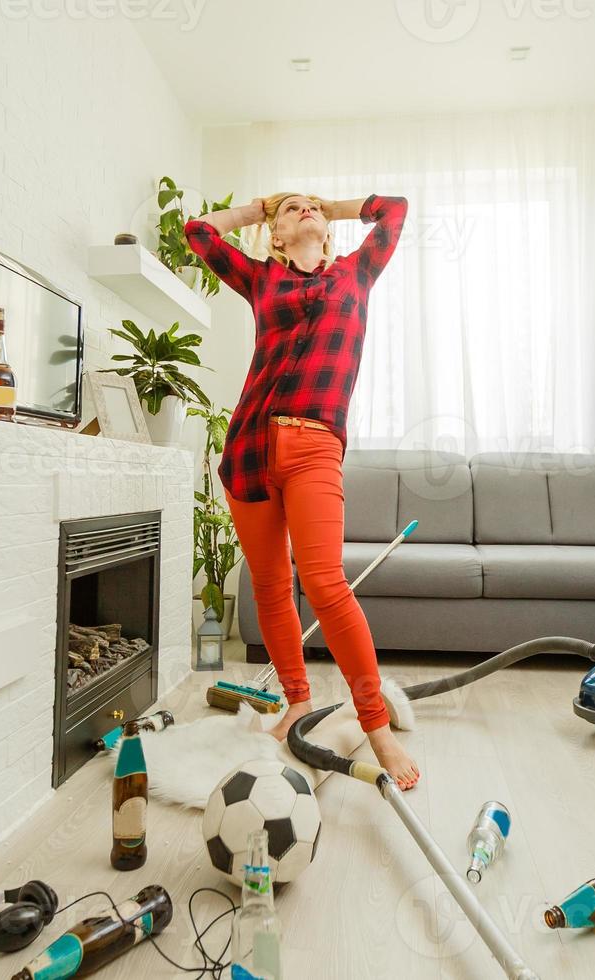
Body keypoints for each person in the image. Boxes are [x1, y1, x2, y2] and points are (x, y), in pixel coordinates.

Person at [185, 192, 420, 790]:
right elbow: (199, 233)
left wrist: (324, 207)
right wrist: (260, 209)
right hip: (248, 449)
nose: (304, 211)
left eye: (310, 208)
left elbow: (394, 209)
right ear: (277, 235)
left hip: (315, 447)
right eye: (293, 211)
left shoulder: (355, 273)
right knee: (268, 585)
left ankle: (377, 728)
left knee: (322, 580)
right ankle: (296, 701)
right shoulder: (262, 278)